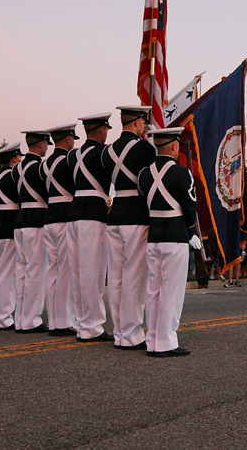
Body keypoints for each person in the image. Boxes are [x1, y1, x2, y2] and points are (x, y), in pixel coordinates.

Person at [137, 126, 199, 357]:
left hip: (153, 237)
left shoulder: (144, 174)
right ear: (173, 146)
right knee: (171, 292)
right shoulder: (182, 173)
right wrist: (191, 232)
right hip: (175, 237)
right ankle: (166, 342)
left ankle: (152, 339)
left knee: (153, 291)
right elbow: (190, 206)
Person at [103, 105, 157, 349]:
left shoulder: (107, 151)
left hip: (115, 214)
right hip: (136, 214)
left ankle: (120, 332)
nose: (145, 127)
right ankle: (132, 334)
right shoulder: (144, 147)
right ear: (136, 122)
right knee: (134, 277)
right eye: (143, 122)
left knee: (116, 278)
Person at [67, 113, 114, 342]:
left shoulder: (73, 155)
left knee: (77, 272)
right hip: (93, 212)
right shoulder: (103, 153)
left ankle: (81, 322)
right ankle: (92, 326)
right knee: (92, 271)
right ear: (102, 130)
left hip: (74, 212)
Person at [13, 130, 51, 333]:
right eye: (46, 144)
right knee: (35, 271)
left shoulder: (17, 168)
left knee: (22, 272)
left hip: (20, 219)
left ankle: (20, 318)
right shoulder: (40, 167)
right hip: (36, 218)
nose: (47, 147)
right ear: (40, 144)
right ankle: (31, 319)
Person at [43, 123, 78, 336]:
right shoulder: (68, 160)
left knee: (52, 271)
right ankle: (64, 320)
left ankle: (54, 320)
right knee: (65, 270)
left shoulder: (45, 164)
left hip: (49, 216)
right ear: (67, 139)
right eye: (72, 138)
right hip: (65, 214)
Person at [0, 142, 22, 330]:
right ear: (14, 158)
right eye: (19, 157)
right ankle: (3, 316)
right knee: (8, 273)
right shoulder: (15, 177)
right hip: (9, 224)